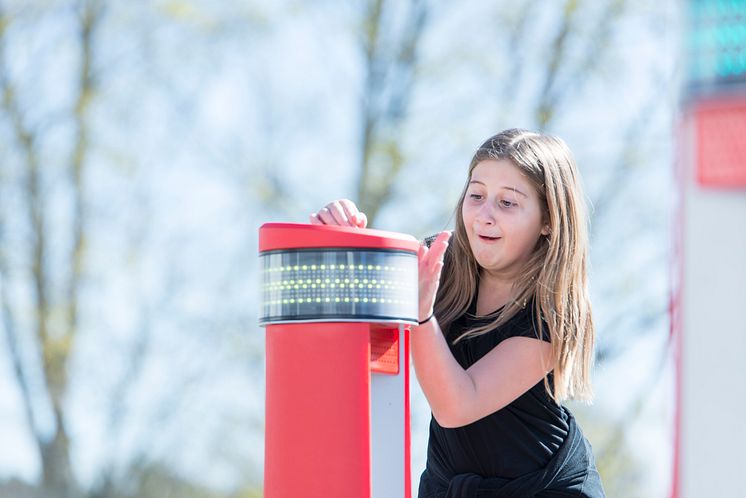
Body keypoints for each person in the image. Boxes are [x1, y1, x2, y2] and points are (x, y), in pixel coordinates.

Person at [310, 128, 606, 497]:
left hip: (543, 488)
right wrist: (342, 237)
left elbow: (458, 405)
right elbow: (353, 309)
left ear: (548, 221)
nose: (484, 214)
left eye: (508, 203)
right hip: (448, 484)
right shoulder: (437, 262)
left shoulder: (554, 311)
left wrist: (421, 316)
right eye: (477, 195)